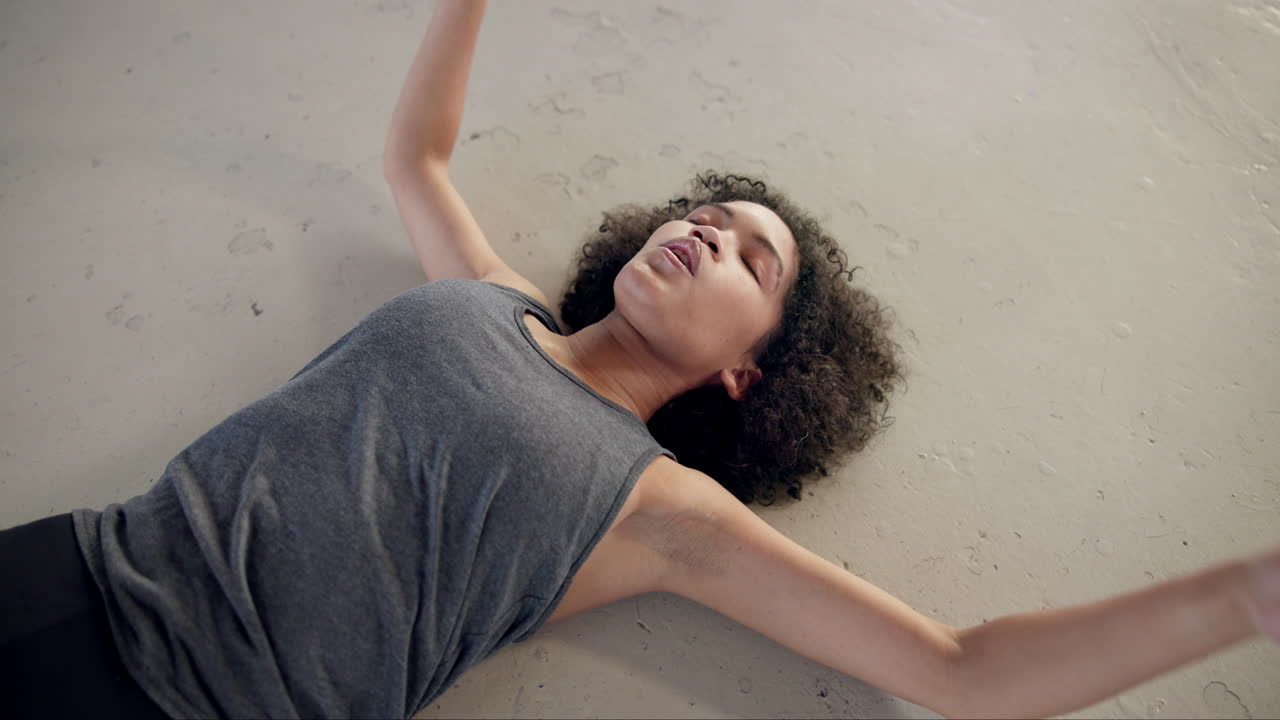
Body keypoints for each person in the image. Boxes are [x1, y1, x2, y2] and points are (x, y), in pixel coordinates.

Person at [2, 1, 1277, 718]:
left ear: (747, 375)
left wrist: (1242, 597)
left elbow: (961, 673)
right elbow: (417, 161)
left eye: (745, 261)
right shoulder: (491, 298)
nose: (701, 233)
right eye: (702, 217)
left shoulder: (660, 511)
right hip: (71, 569)